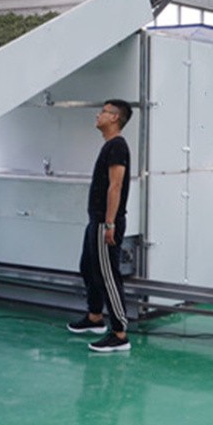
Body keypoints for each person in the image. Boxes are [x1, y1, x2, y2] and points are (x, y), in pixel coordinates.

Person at [68, 99, 133, 353]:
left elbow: (115, 186)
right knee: (88, 267)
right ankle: (95, 317)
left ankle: (119, 333)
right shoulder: (109, 145)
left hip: (106, 221)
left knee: (108, 275)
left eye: (104, 112)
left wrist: (109, 223)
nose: (99, 115)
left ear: (115, 118)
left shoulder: (117, 146)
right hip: (96, 220)